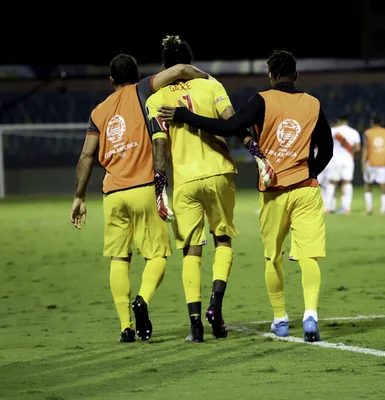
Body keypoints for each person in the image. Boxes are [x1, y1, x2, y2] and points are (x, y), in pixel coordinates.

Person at [158, 50, 333, 342]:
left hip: (274, 191)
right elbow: (326, 149)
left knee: (272, 257)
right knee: (309, 256)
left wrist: (184, 115)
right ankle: (311, 316)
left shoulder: (261, 100)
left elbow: (230, 127)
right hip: (306, 189)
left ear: (271, 75)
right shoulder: (313, 104)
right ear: (296, 75)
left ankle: (280, 319)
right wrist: (308, 170)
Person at [70, 54, 210, 342]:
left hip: (112, 194)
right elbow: (182, 69)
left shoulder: (98, 112)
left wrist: (79, 197)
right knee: (157, 255)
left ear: (111, 81)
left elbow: (87, 155)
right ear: (136, 75)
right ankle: (142, 300)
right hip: (145, 187)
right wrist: (209, 82)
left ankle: (125, 327)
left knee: (119, 259)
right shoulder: (143, 89)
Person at [145, 35, 273, 342]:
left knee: (192, 250)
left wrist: (159, 183)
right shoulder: (211, 86)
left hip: (186, 181)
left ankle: (195, 325)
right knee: (223, 240)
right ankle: (215, 305)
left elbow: (160, 146)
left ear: (165, 67)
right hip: (218, 174)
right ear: (190, 62)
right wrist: (255, 151)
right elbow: (232, 122)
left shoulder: (155, 100)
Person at [325, 115, 361, 214]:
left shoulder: (333, 131)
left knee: (332, 182)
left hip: (335, 160)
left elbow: (324, 143)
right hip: (348, 160)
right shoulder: (354, 132)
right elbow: (357, 148)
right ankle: (346, 208)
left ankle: (328, 207)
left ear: (339, 120)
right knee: (347, 182)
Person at [362, 114, 385, 215]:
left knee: (368, 184)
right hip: (383, 162)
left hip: (371, 162)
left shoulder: (368, 132)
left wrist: (363, 162)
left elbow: (366, 147)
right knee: (383, 184)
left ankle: (369, 208)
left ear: (372, 122)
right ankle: (384, 209)